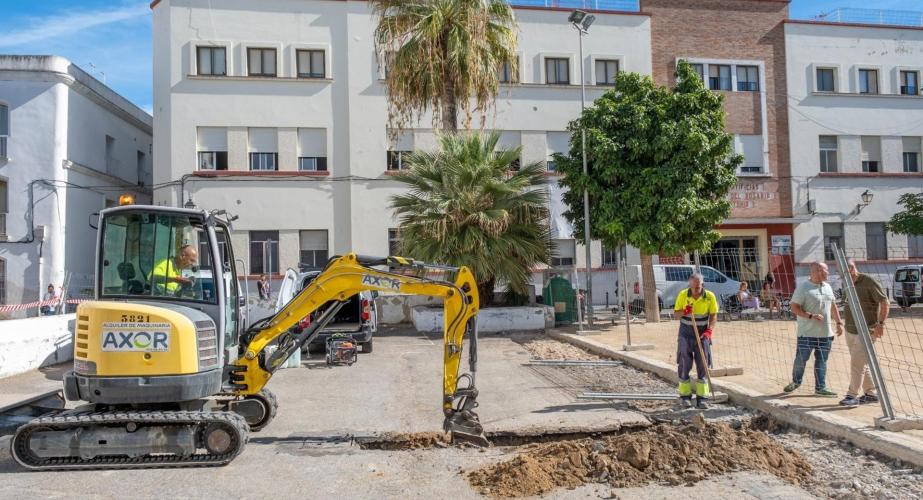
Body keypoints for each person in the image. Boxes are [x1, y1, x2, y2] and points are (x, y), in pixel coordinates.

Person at [784, 262, 844, 397]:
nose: (827, 273)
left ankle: (820, 388)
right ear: (815, 272)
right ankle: (796, 382)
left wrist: (839, 323)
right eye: (824, 271)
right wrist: (810, 316)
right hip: (807, 334)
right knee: (801, 359)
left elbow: (833, 306)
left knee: (822, 361)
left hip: (826, 334)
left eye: (827, 270)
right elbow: (794, 307)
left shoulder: (828, 287)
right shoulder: (803, 288)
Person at [839, 259, 890, 407]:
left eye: (848, 271)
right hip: (850, 329)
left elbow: (884, 302)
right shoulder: (847, 283)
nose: (845, 275)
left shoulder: (868, 281)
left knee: (857, 363)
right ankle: (871, 393)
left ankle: (851, 396)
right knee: (861, 362)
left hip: (867, 329)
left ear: (853, 269)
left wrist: (880, 323)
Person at [673, 273, 719, 409]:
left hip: (702, 333)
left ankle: (702, 398)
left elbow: (713, 315)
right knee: (684, 363)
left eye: (698, 288)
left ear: (702, 285)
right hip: (685, 333)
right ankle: (685, 396)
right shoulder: (683, 295)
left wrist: (709, 331)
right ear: (689, 285)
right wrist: (685, 311)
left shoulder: (710, 297)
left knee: (703, 364)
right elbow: (676, 315)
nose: (695, 291)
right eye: (693, 288)